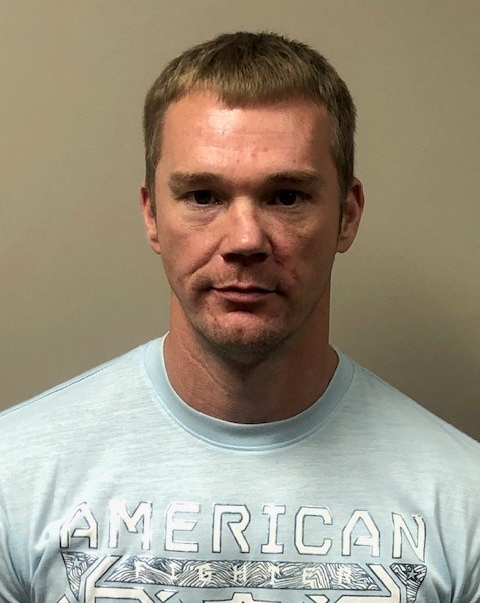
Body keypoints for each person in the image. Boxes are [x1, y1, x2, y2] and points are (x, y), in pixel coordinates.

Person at [0, 32, 478, 603]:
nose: (246, 240)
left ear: (347, 216)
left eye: (286, 196)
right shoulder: (15, 477)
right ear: (152, 215)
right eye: (203, 196)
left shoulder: (463, 501)